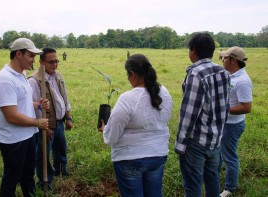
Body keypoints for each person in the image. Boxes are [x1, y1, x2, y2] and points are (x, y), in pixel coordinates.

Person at [98, 54, 173, 197]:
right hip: (158, 155)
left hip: (129, 159)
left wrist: (105, 130)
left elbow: (112, 137)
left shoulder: (128, 99)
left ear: (131, 74)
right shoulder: (164, 92)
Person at [174, 33, 230, 197]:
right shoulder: (223, 72)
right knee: (212, 179)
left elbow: (188, 114)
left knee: (192, 186)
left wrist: (180, 145)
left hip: (197, 142)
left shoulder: (196, 74)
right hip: (216, 140)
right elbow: (225, 106)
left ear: (193, 51)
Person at [0, 37, 50, 197]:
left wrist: (36, 105)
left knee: (27, 175)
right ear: (19, 54)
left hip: (27, 135)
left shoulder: (21, 74)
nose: (34, 60)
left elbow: (20, 105)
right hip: (13, 139)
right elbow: (11, 116)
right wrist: (38, 122)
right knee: (12, 177)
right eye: (31, 56)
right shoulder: (5, 80)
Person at [28, 48, 73, 189]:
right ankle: (45, 182)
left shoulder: (58, 76)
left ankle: (61, 170)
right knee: (43, 155)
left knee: (61, 149)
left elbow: (64, 98)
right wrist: (44, 127)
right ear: (41, 62)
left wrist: (69, 117)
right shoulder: (34, 81)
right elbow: (33, 109)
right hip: (45, 125)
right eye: (51, 62)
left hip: (59, 122)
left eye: (56, 61)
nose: (54, 65)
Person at [218, 47, 252, 197]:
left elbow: (246, 107)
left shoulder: (242, 81)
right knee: (218, 152)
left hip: (232, 125)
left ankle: (230, 189)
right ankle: (213, 176)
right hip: (225, 122)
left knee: (229, 157)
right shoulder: (229, 74)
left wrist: (223, 109)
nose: (222, 61)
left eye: (223, 58)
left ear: (233, 60)